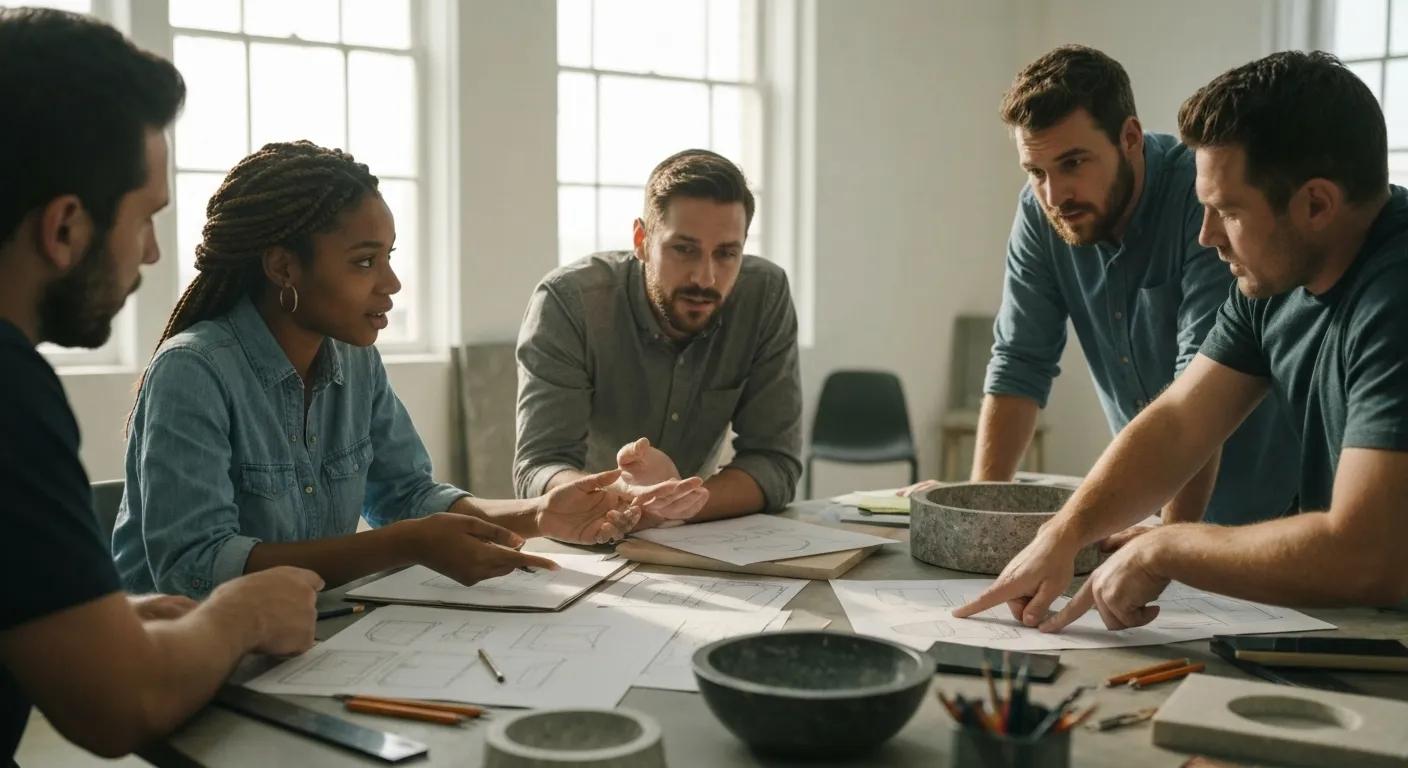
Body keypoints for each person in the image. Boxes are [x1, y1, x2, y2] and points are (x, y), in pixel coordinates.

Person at [113, 141, 698, 599]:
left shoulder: (354, 358)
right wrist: (403, 546)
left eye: (388, 258)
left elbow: (408, 494)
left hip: (311, 639)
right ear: (283, 267)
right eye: (364, 262)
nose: (390, 284)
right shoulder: (193, 372)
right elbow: (195, 572)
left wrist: (539, 515)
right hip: (189, 662)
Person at [955, 51, 1408, 632]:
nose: (1206, 235)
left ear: (1316, 204)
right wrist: (1063, 532)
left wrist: (1164, 547)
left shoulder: (1395, 298)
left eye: (1227, 211)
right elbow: (1179, 422)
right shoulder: (1269, 280)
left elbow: (1366, 555)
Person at [0, 9, 320, 763]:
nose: (148, 254)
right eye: (145, 220)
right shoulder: (10, 393)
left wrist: (101, 618)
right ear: (66, 227)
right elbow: (123, 707)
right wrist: (238, 614)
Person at [907, 46, 1298, 531]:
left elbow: (1196, 396)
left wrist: (1167, 552)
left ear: (1129, 137)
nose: (1054, 195)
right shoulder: (1040, 212)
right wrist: (983, 517)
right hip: (1152, 505)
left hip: (1277, 509)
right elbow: (1019, 363)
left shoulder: (1200, 200)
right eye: (1036, 172)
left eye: (1073, 163)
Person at [514, 149, 802, 527]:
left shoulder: (764, 294)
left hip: (694, 534)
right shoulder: (569, 302)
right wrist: (623, 503)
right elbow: (539, 466)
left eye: (727, 254)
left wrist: (679, 504)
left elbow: (776, 462)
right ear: (641, 239)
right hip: (587, 532)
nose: (706, 278)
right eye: (684, 249)